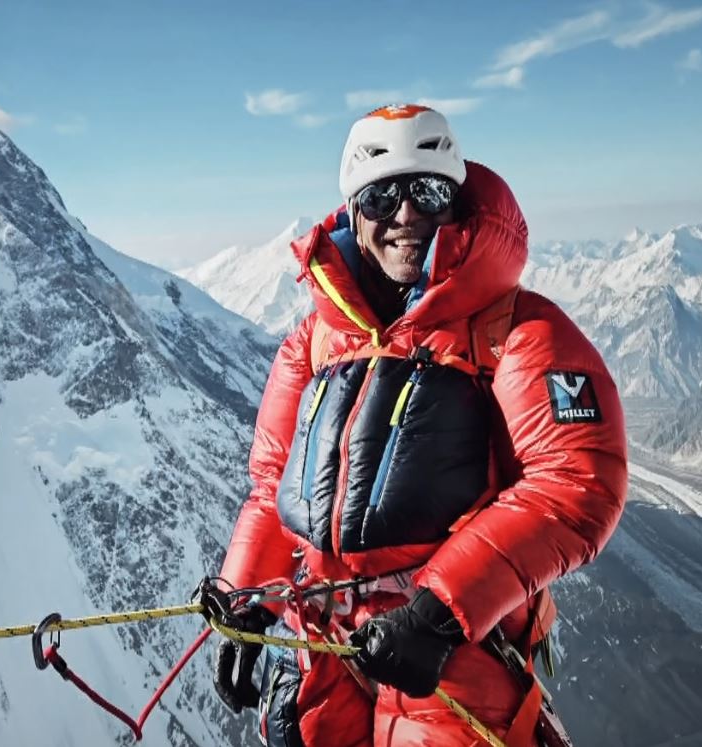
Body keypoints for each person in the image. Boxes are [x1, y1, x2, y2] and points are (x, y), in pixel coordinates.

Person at [213, 104, 628, 746]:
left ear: (457, 203)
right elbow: (275, 485)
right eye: (381, 197)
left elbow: (576, 482)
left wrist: (438, 613)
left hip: (457, 655)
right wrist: (244, 594)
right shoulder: (315, 342)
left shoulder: (519, 331)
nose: (406, 216)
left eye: (428, 192)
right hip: (329, 641)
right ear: (354, 212)